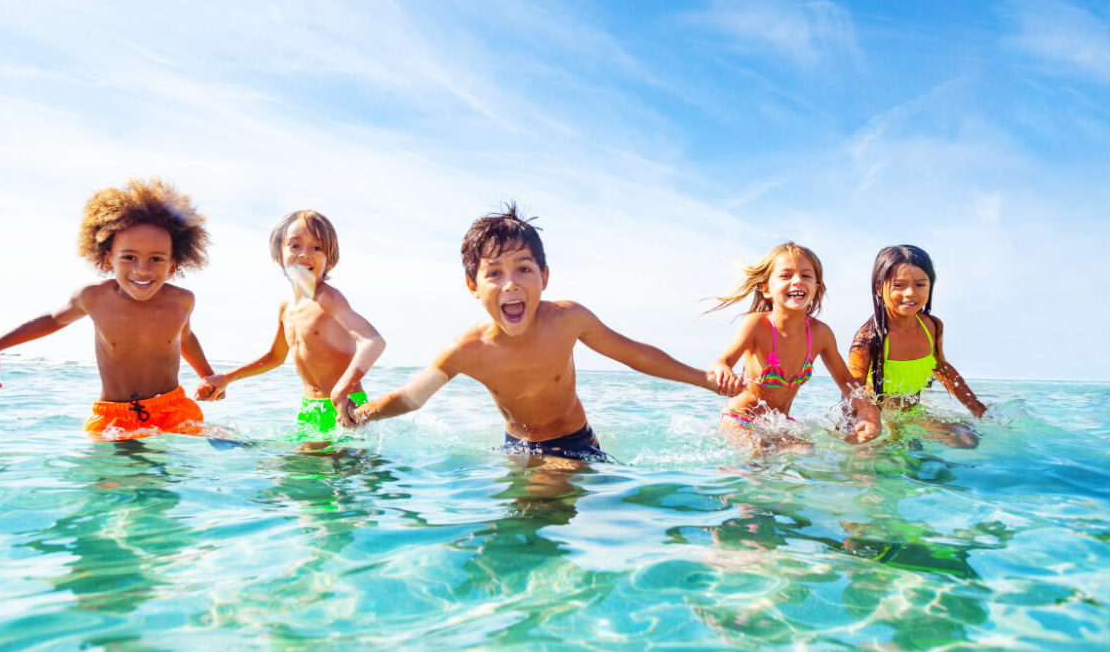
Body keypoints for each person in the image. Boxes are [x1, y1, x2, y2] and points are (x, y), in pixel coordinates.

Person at [342, 204, 733, 462]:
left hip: (578, 443)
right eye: (494, 272)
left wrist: (705, 380)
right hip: (519, 448)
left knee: (546, 502)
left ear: (544, 277)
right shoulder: (466, 349)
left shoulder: (568, 320)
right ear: (472, 286)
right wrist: (363, 414)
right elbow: (411, 397)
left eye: (524, 269)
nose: (510, 284)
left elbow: (635, 354)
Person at [0, 177, 218, 440]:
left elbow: (185, 337)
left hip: (172, 408)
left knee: (189, 468)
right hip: (114, 416)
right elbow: (53, 320)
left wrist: (208, 375)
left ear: (173, 264)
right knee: (109, 478)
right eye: (129, 257)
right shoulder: (94, 297)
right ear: (107, 258)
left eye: (156, 259)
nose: (142, 269)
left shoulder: (181, 300)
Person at [196, 210, 385, 443]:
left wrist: (341, 391)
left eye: (317, 248)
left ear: (330, 259)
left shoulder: (329, 299)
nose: (305, 254)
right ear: (279, 255)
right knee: (296, 474)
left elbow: (373, 342)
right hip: (309, 410)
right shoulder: (286, 307)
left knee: (316, 470)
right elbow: (275, 357)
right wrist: (226, 378)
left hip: (344, 407)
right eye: (295, 246)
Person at [707, 242, 880, 454]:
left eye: (806, 276)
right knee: (758, 457)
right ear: (766, 288)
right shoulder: (756, 325)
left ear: (816, 287)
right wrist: (722, 370)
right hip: (741, 420)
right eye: (786, 275)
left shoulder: (820, 334)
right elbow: (722, 361)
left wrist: (868, 412)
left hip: (780, 424)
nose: (797, 281)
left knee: (809, 454)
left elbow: (846, 382)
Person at [847, 245, 986, 446]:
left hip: (910, 413)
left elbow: (942, 369)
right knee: (870, 469)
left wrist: (977, 407)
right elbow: (851, 391)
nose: (911, 293)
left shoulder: (932, 326)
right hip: (877, 421)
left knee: (969, 438)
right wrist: (853, 430)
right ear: (879, 287)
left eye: (920, 285)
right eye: (899, 285)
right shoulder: (868, 339)